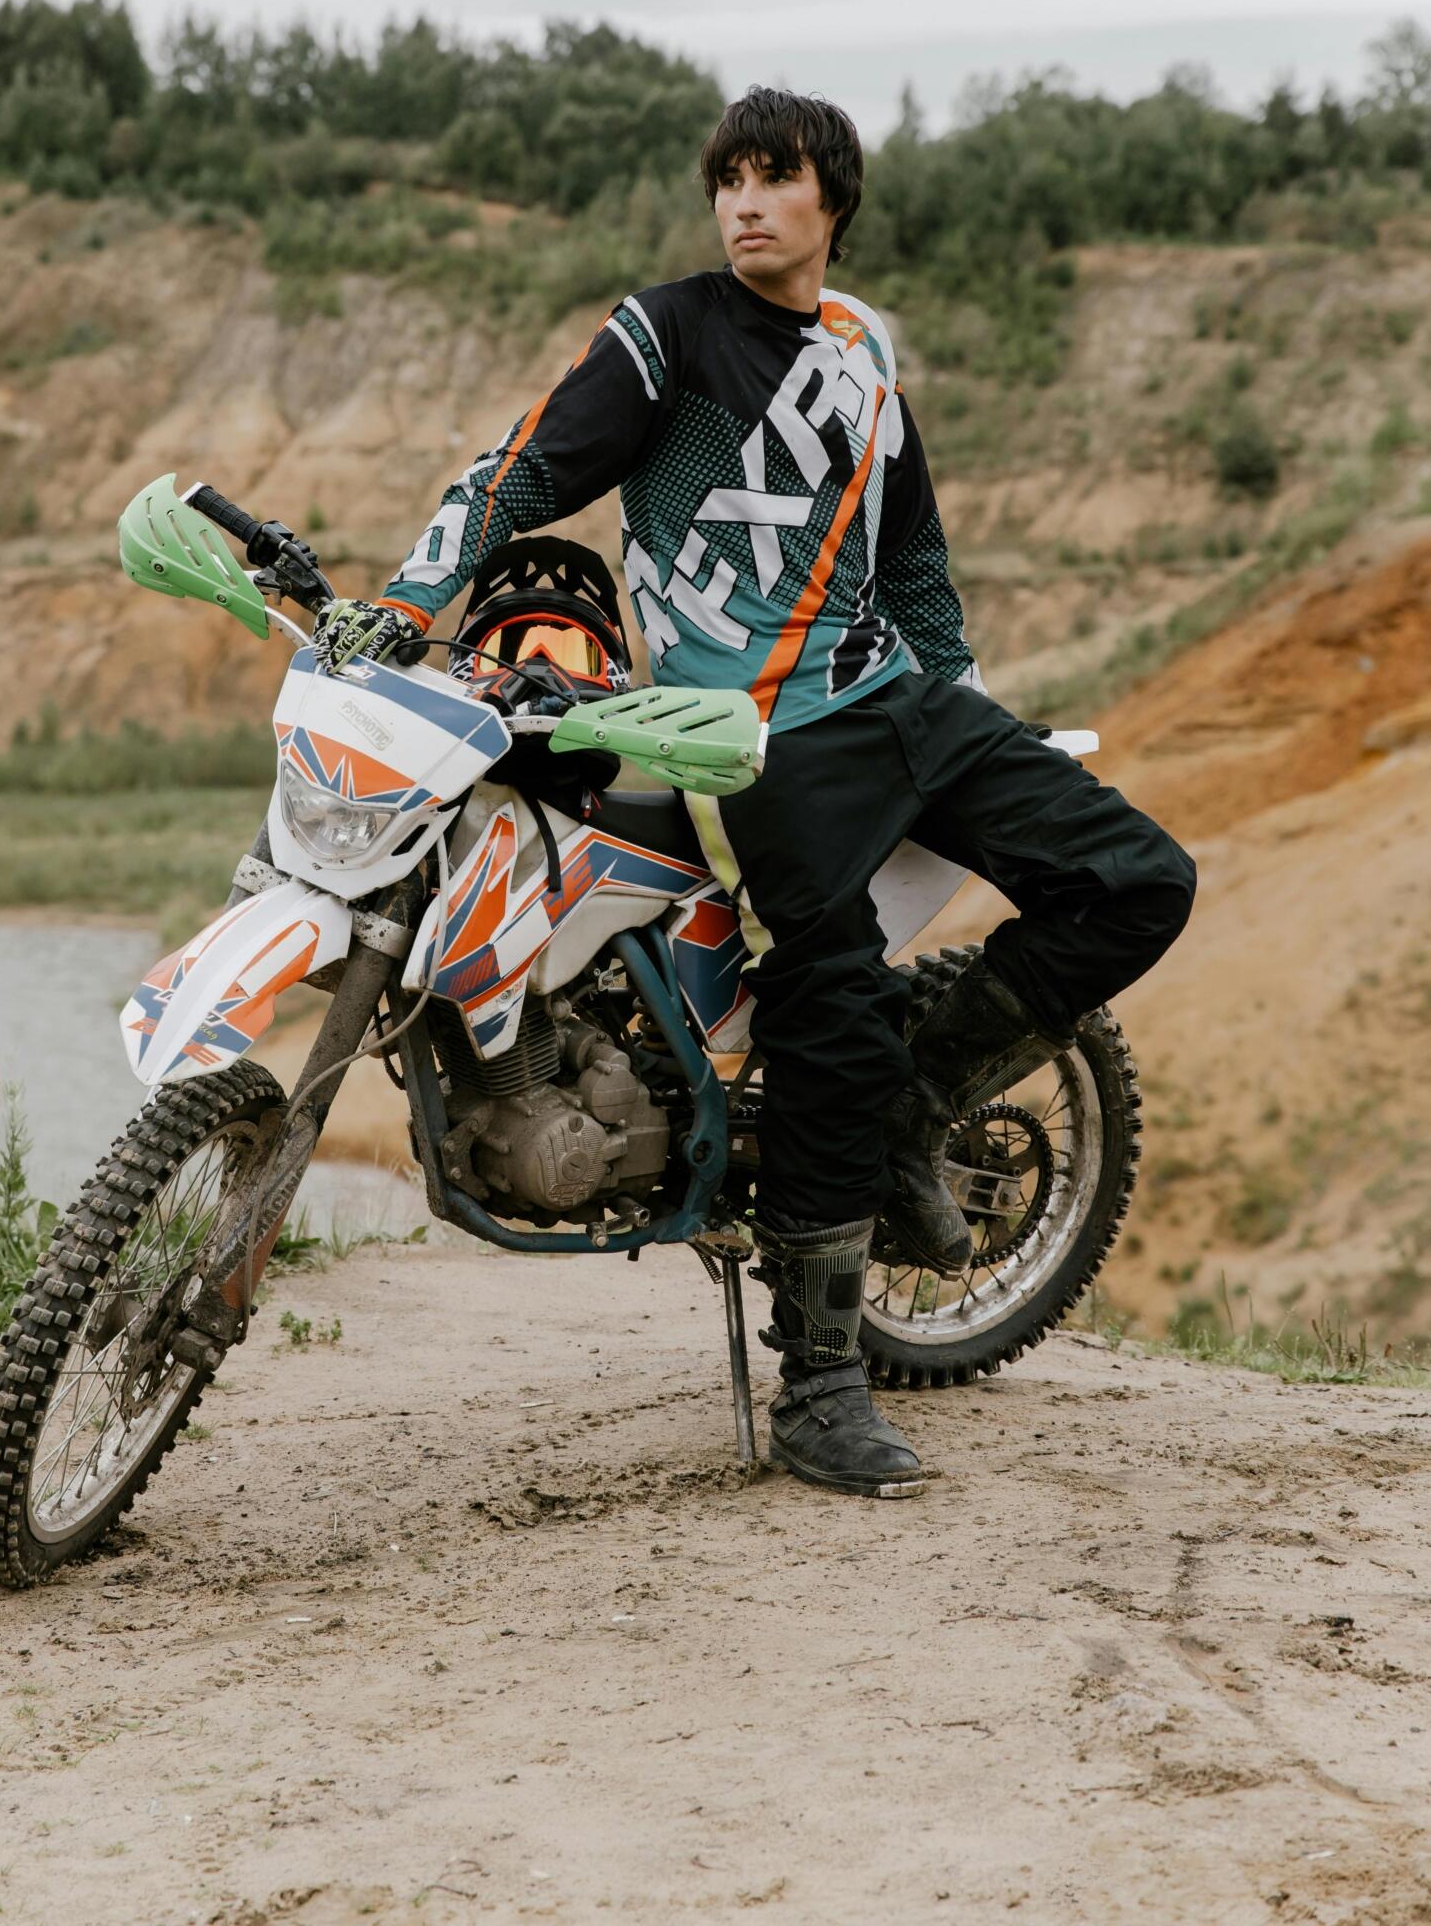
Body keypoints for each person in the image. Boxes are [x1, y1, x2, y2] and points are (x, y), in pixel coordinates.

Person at [314, 87, 1195, 1496]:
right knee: (830, 994)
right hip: (748, 729)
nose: (744, 202)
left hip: (898, 701)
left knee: (1145, 880)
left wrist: (959, 687)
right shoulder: (667, 333)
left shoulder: (861, 351)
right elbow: (529, 465)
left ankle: (921, 1091)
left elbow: (909, 555)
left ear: (830, 200)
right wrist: (411, 592)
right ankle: (822, 1391)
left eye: (775, 178)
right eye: (729, 178)